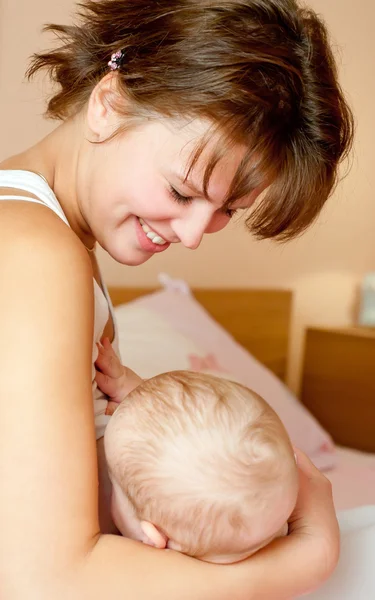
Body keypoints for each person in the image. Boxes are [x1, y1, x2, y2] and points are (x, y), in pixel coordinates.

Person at [0, 0, 353, 598]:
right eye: (182, 190)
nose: (192, 235)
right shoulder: (34, 252)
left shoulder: (49, 236)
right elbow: (42, 581)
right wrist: (312, 554)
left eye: (226, 213)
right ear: (109, 104)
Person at [95, 339, 299, 563]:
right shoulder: (269, 520)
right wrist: (131, 391)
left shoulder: (142, 579)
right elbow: (189, 439)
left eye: (115, 483)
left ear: (152, 537)